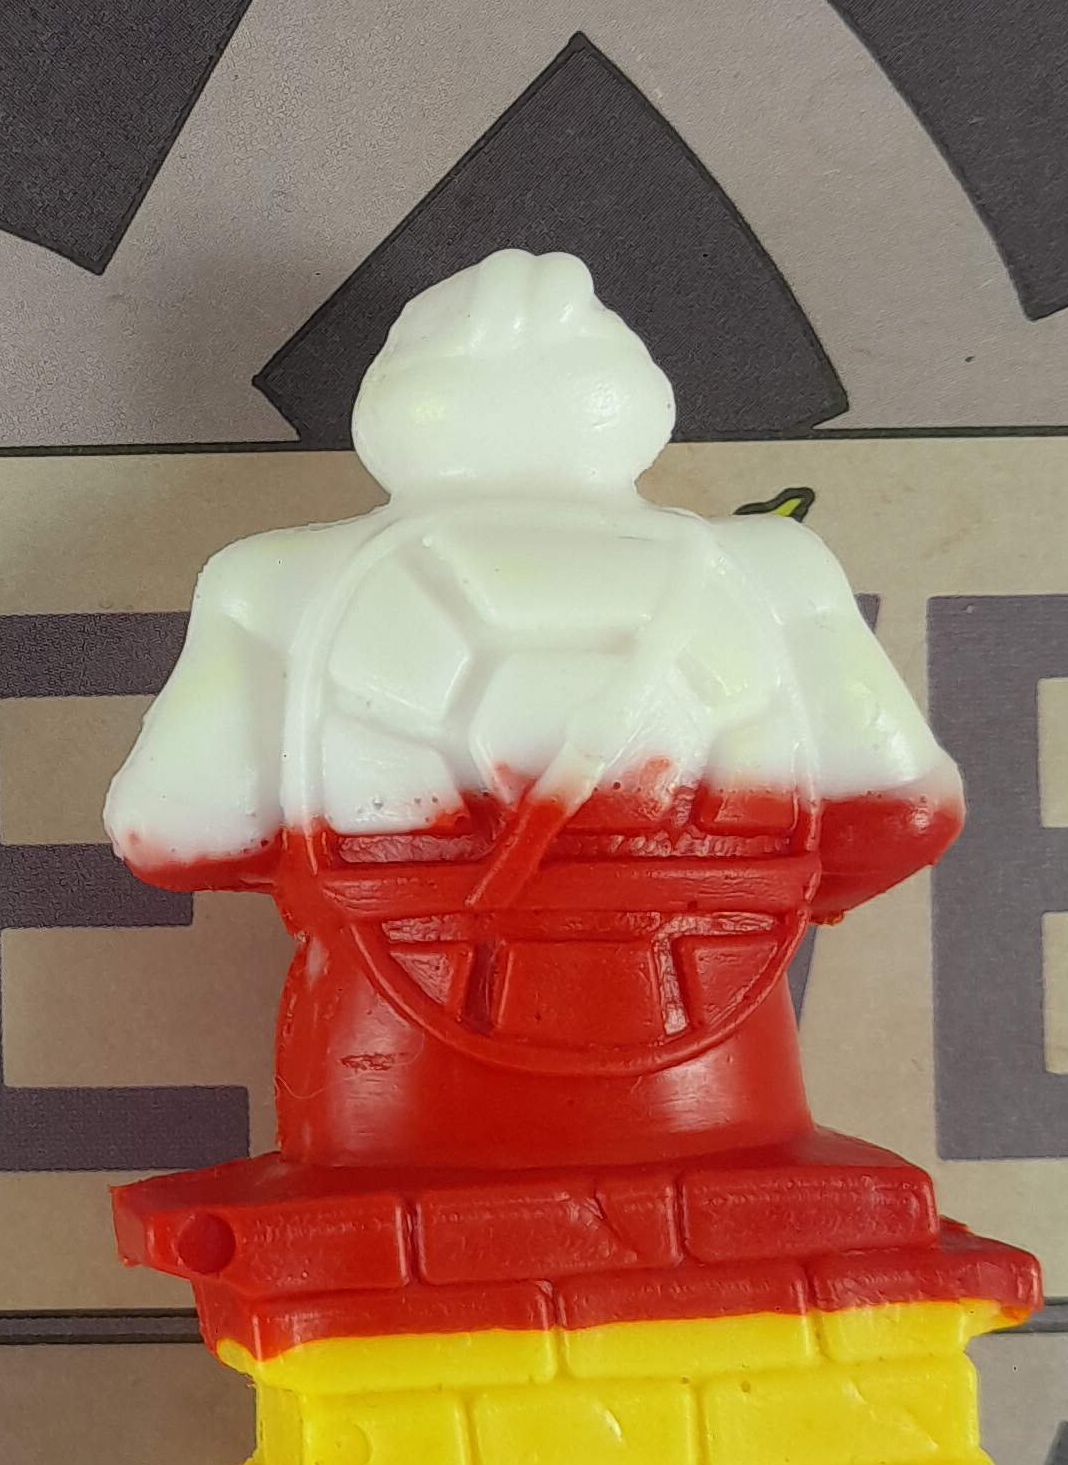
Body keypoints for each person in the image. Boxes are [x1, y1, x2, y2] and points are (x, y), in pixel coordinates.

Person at [106, 246, 961, 1171]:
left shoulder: (273, 582)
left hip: (393, 1112)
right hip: (720, 1094)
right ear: (635, 401)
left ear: (393, 406)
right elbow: (906, 814)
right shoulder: (776, 571)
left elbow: (173, 833)